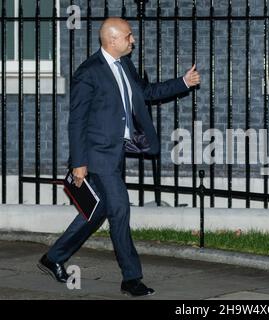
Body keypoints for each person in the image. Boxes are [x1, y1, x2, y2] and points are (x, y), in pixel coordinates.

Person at [37, 17, 200, 297]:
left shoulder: (125, 65)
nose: (132, 40)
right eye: (128, 36)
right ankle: (131, 278)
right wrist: (79, 163)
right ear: (112, 40)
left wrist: (183, 82)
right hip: (97, 156)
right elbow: (77, 121)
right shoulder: (89, 72)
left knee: (97, 210)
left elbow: (145, 93)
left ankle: (53, 258)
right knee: (120, 209)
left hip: (114, 154)